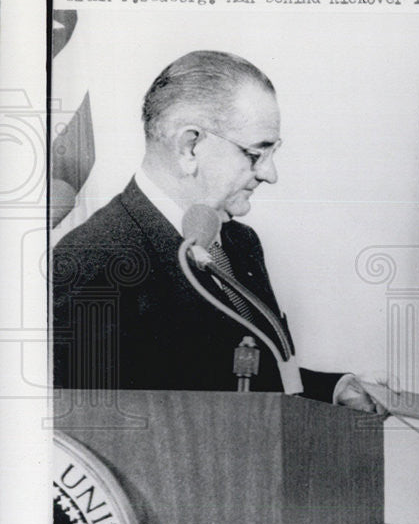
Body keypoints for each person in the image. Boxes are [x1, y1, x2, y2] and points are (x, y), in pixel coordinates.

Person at [52, 50, 338, 400]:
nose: (270, 174)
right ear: (190, 146)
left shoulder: (241, 243)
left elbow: (241, 376)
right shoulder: (91, 258)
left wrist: (336, 390)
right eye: (256, 154)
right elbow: (95, 425)